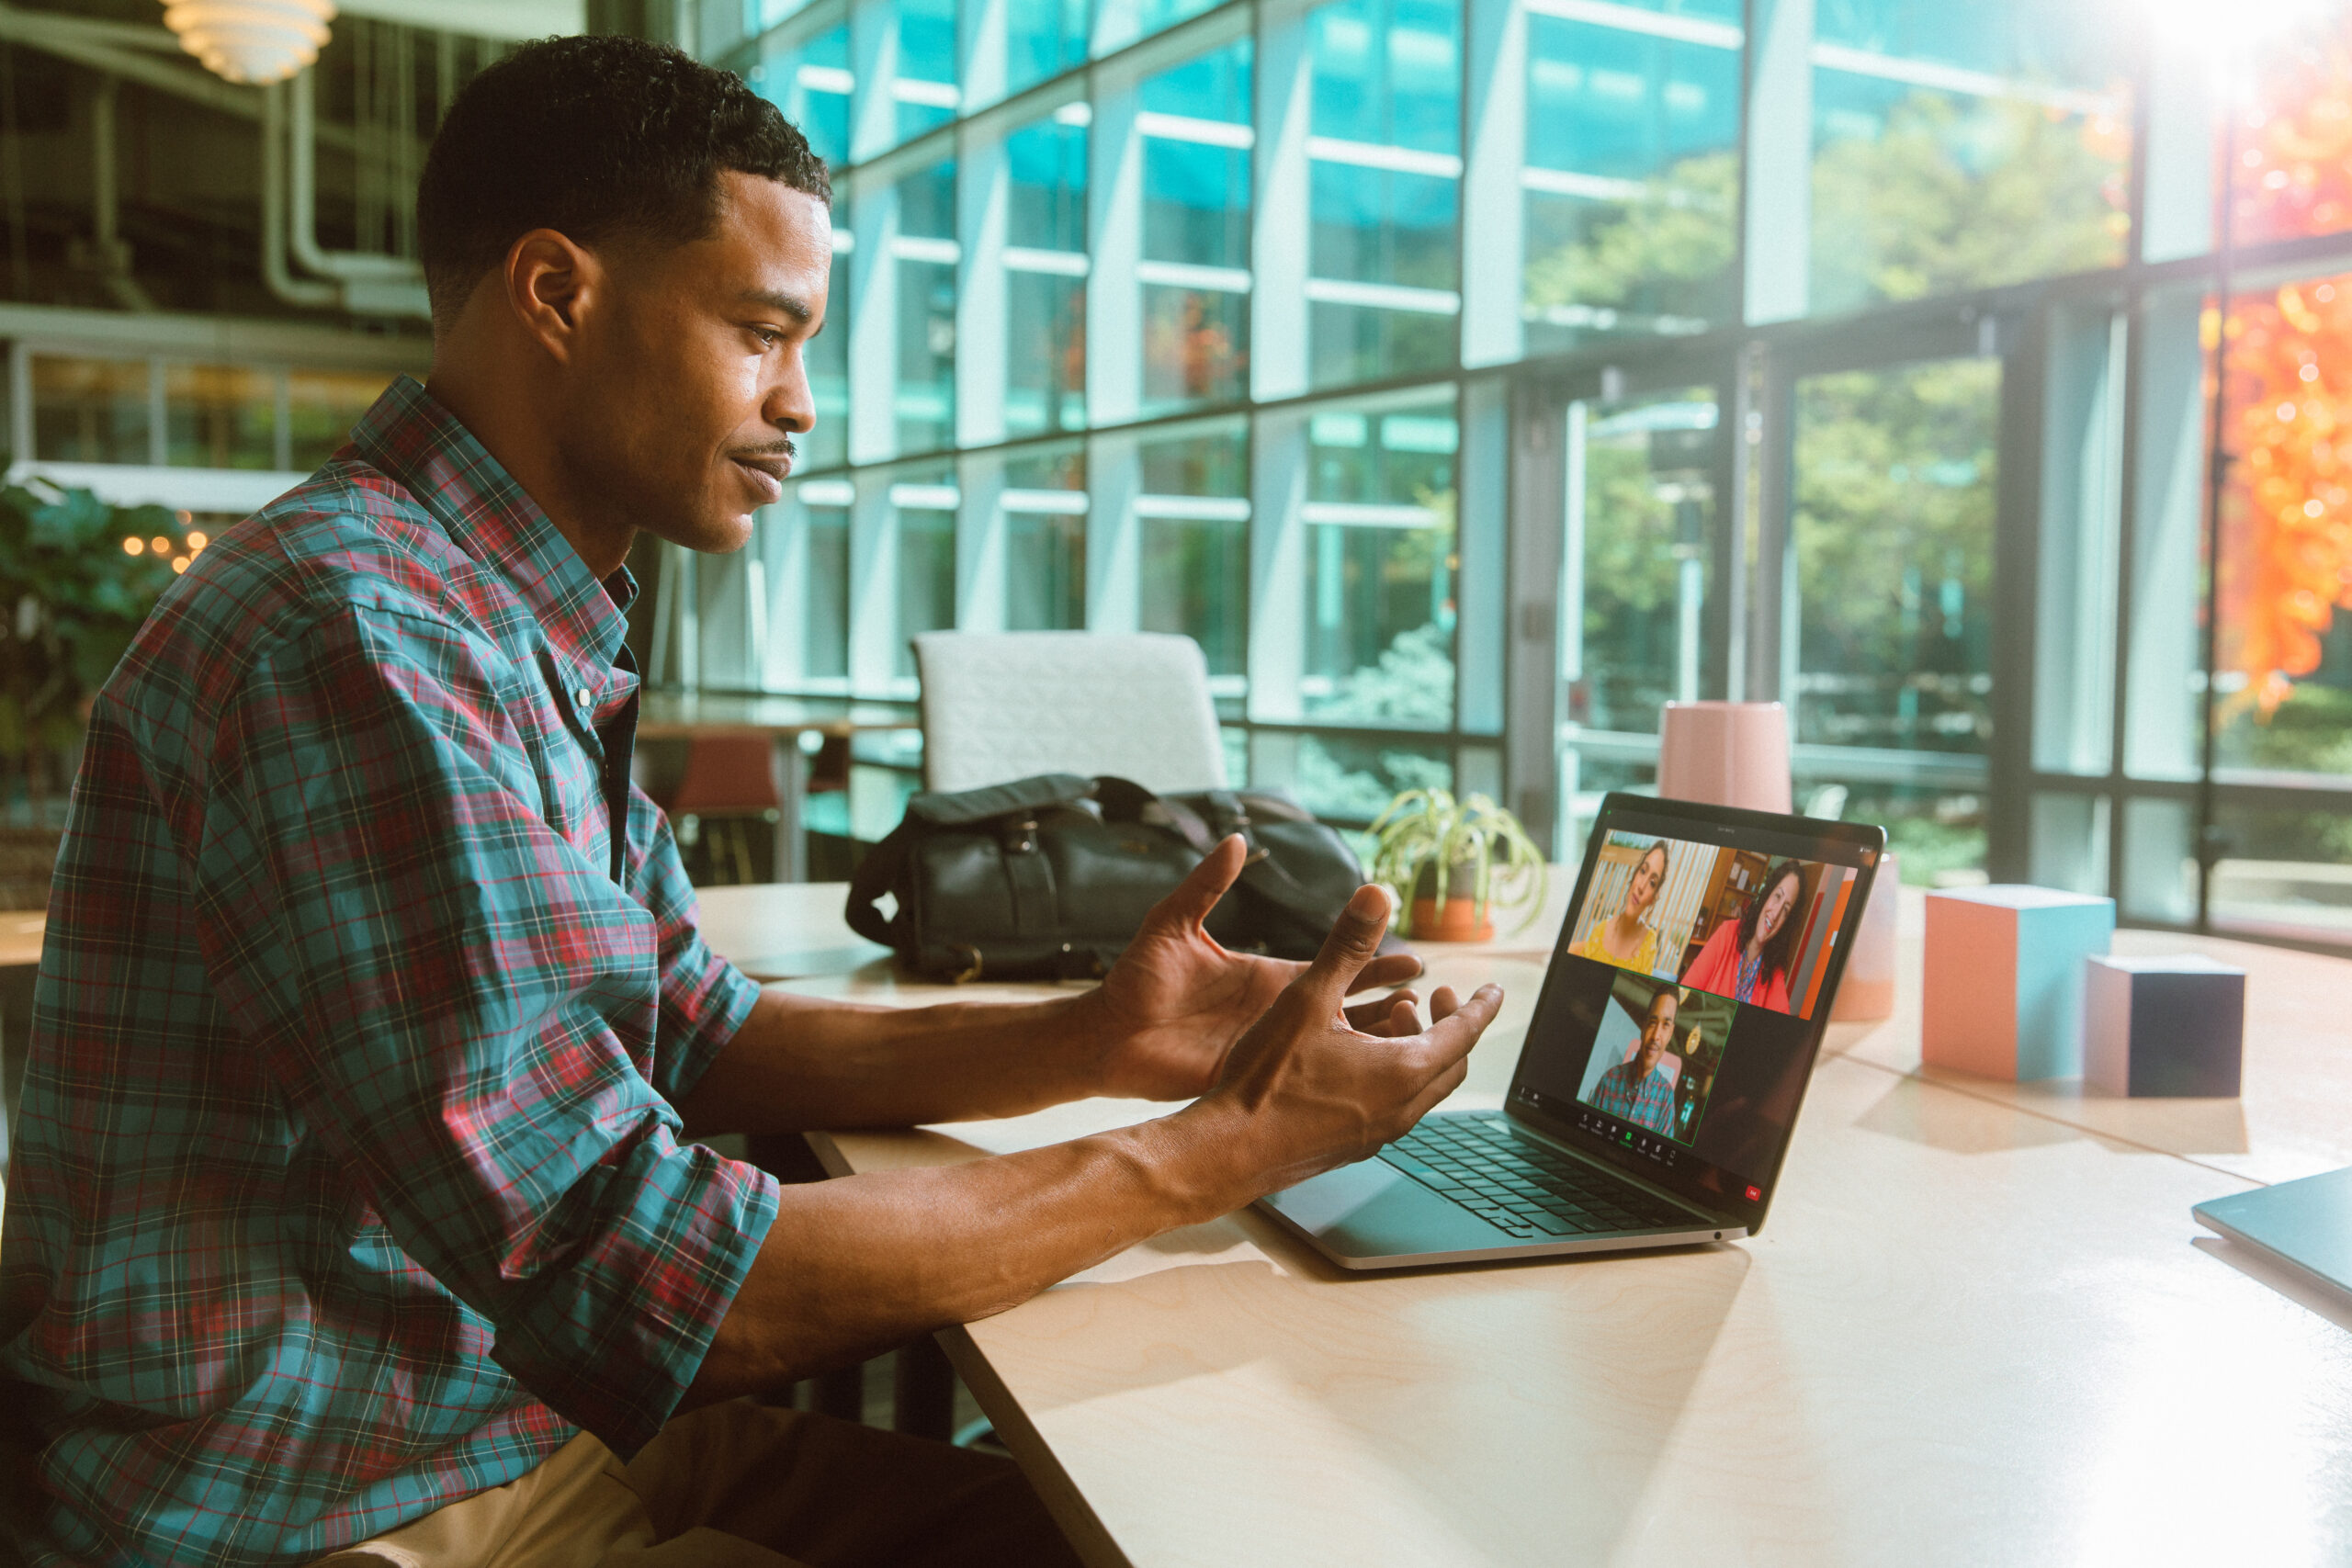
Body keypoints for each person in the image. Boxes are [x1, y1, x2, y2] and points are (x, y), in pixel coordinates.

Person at [0, 38, 1506, 1568]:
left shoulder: (512, 615)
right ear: (556, 293)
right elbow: (633, 1270)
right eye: (760, 333)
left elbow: (688, 1024)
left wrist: (1091, 1039)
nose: (800, 404)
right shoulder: (356, 631)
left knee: (1138, 1524)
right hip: (325, 1504)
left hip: (472, 1423)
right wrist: (1222, 1147)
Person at [1680, 859, 1806, 1012]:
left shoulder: (1774, 970)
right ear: (1767, 894)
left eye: (1786, 910)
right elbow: (1684, 994)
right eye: (1777, 896)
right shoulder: (1727, 933)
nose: (1776, 913)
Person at [1587, 987, 1680, 1136]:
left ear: (1670, 1034)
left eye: (1665, 1025)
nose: (1656, 1036)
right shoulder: (1609, 1080)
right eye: (1652, 1022)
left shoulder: (1665, 1098)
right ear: (1643, 1027)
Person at [1571, 840, 1670, 976]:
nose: (1641, 886)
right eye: (1642, 871)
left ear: (1652, 899)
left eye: (1652, 883)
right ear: (1634, 875)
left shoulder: (1649, 942)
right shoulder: (1600, 930)